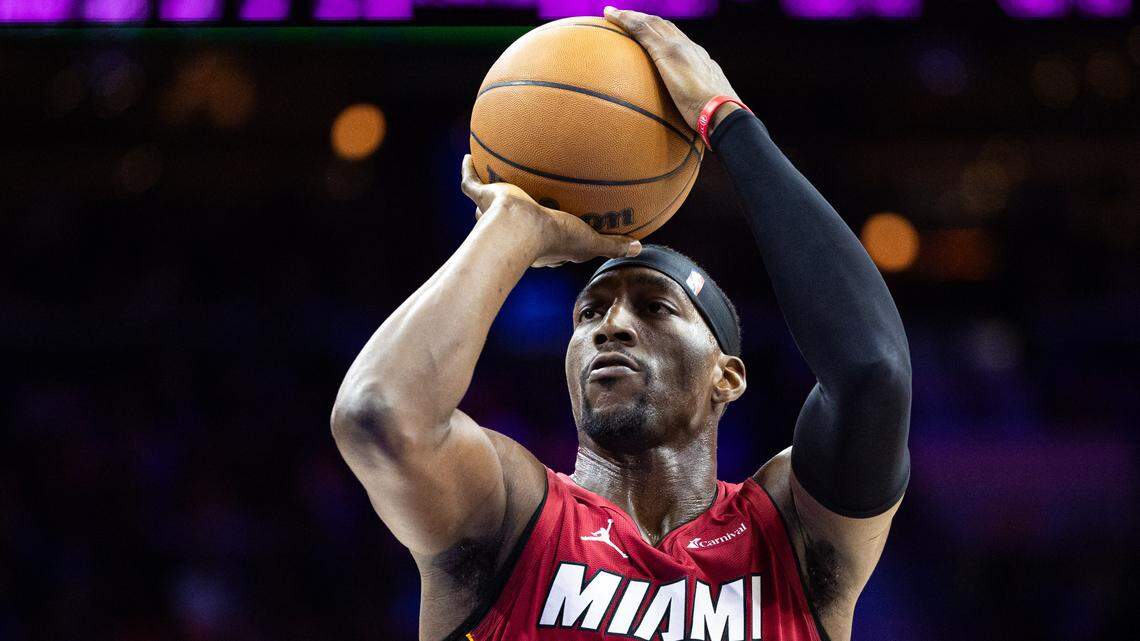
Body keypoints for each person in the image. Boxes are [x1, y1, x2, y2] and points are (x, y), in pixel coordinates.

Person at [331, 8, 911, 641]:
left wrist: (729, 121)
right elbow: (378, 414)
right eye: (588, 313)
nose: (612, 326)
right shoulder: (512, 518)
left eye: (655, 307)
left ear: (729, 377)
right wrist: (513, 226)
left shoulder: (788, 537)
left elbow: (872, 376)